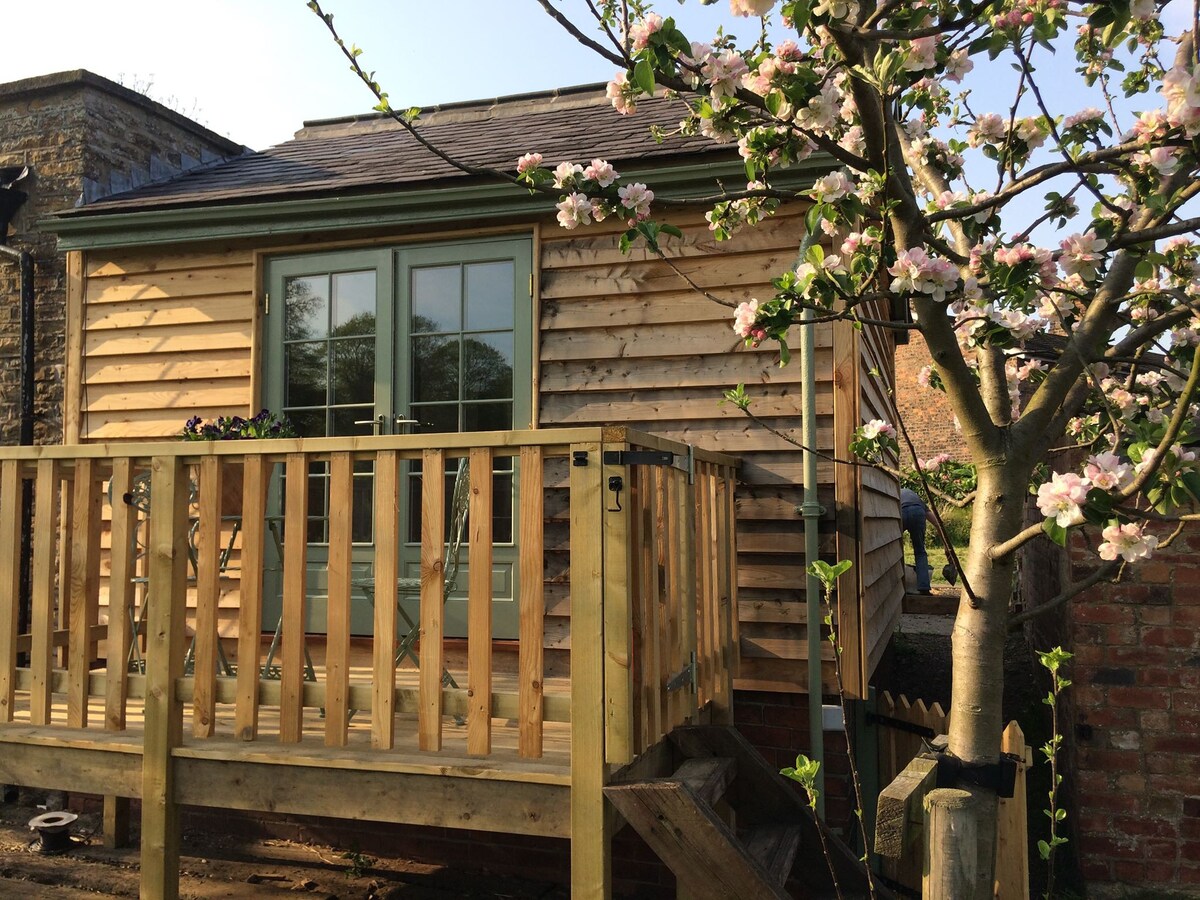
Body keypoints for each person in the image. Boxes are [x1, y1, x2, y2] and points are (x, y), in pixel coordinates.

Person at [900, 487, 935, 594]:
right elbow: (936, 521)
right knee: (920, 552)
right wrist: (946, 546)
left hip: (901, 511)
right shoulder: (916, 498)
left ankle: (898, 585)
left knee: (894, 547)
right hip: (918, 512)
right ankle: (924, 588)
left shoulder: (896, 492)